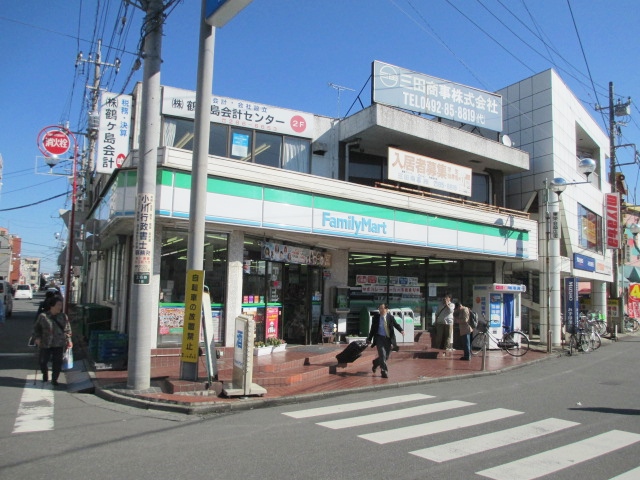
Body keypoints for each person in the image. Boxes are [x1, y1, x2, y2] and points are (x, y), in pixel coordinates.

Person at [32, 295, 72, 386]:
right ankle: (45, 375)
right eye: (58, 305)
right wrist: (37, 338)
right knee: (43, 361)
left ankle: (54, 379)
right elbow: (36, 329)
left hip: (59, 343)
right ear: (52, 306)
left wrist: (69, 340)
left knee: (57, 362)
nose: (60, 307)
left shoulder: (63, 316)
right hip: (45, 343)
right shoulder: (43, 316)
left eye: (61, 305)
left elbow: (67, 329)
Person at [366, 303, 404, 379]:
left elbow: (396, 325)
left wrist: (401, 330)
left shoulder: (390, 317)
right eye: (380, 308)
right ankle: (384, 371)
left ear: (386, 309)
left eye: (382, 308)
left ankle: (376, 363)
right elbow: (373, 329)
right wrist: (369, 338)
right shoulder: (376, 317)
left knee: (385, 357)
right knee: (382, 354)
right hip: (379, 338)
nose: (381, 310)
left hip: (388, 339)